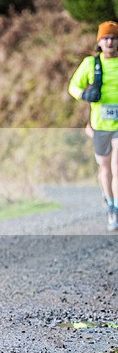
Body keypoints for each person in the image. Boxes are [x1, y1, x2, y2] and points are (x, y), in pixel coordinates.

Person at [69, 20, 118, 231]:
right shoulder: (91, 64)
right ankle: (109, 203)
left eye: (114, 38)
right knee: (104, 167)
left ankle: (116, 207)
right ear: (99, 41)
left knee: (117, 166)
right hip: (100, 125)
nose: (110, 42)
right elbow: (73, 86)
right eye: (106, 38)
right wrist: (84, 94)